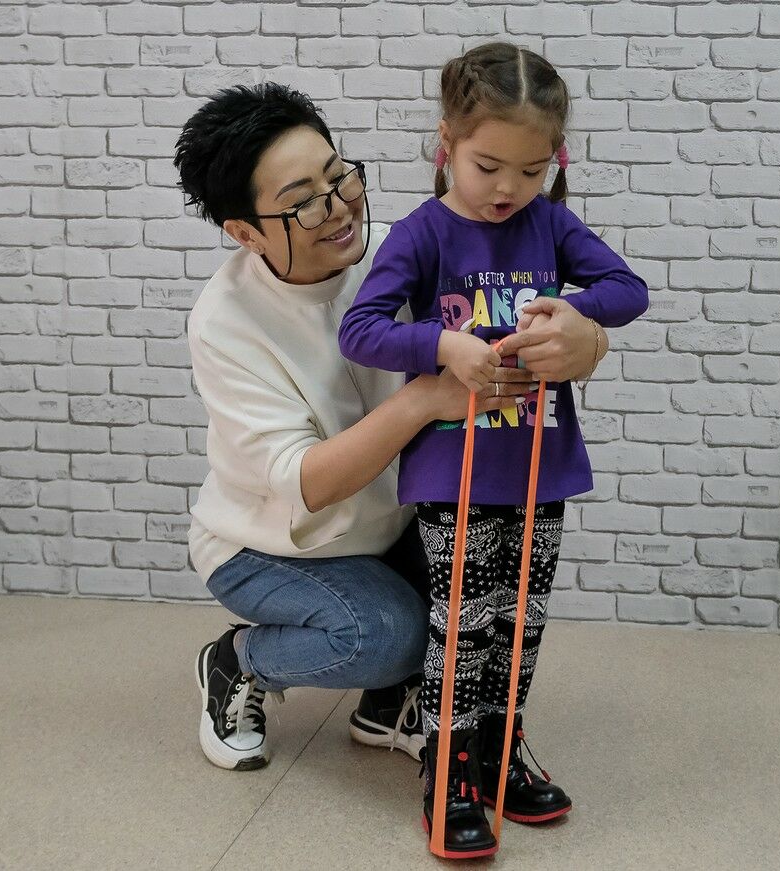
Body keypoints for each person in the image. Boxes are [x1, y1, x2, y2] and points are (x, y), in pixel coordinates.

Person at [171, 83, 613, 775]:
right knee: (387, 635)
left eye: (339, 176)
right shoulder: (224, 322)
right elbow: (304, 485)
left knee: (487, 598)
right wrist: (425, 400)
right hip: (272, 545)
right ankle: (239, 659)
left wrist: (587, 341)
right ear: (246, 232)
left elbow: (524, 327)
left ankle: (387, 708)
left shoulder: (403, 249)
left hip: (397, 521)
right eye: (303, 200)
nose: (338, 206)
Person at [338, 43, 649, 858]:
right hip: (455, 474)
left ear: (555, 161)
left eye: (532, 170)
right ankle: (448, 767)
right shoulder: (424, 231)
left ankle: (499, 752)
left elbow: (629, 290)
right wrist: (441, 345)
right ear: (446, 142)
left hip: (541, 467)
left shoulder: (551, 224)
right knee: (463, 629)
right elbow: (360, 330)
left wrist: (576, 316)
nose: (508, 187)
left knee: (521, 625)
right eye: (487, 166)